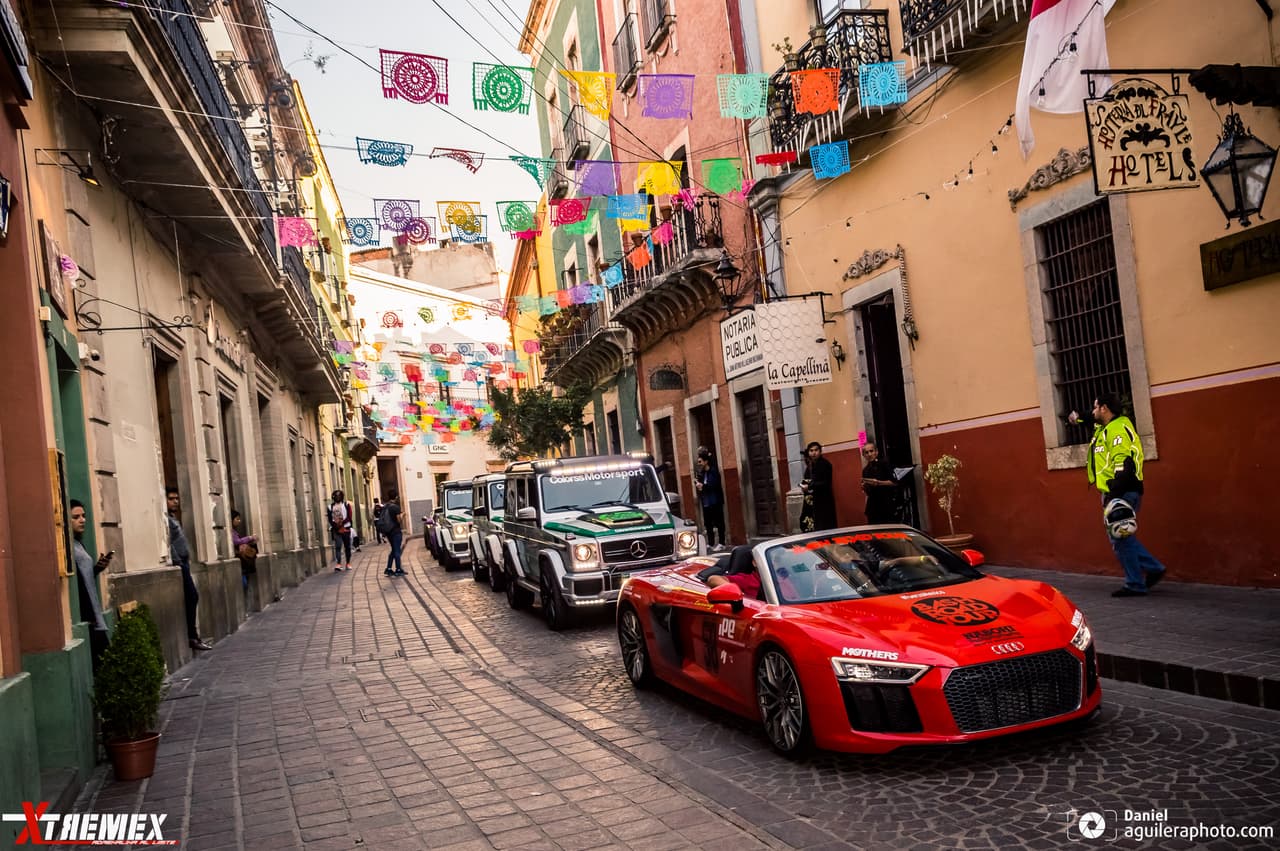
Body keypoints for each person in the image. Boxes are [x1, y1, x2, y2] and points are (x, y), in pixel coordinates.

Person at [1077, 393, 1167, 597]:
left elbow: (1123, 462)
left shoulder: (1117, 429)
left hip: (1122, 490)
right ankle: (1152, 569)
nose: (1093, 411)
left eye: (1095, 407)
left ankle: (1137, 582)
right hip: (1116, 491)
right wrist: (1077, 417)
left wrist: (1113, 493)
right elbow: (1089, 419)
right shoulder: (1104, 428)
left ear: (1104, 408)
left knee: (1120, 537)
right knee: (1122, 536)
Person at [167, 487, 211, 651]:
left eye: (177, 498)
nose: (175, 501)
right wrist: (178, 562)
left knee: (192, 597)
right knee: (192, 596)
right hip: (181, 564)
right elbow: (169, 542)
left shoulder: (172, 518)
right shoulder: (167, 520)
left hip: (184, 562)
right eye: (171, 499)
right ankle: (192, 636)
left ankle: (193, 635)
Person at [69, 499, 111, 667]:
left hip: (95, 614)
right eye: (76, 517)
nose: (82, 520)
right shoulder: (69, 547)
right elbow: (77, 584)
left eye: (84, 516)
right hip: (89, 617)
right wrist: (90, 617)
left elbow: (85, 578)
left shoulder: (78, 543)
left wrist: (97, 569)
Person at [799, 441, 837, 532]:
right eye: (811, 451)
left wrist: (810, 486)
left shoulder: (825, 464)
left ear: (820, 451)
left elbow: (826, 483)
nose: (814, 453)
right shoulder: (810, 466)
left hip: (824, 501)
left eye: (816, 450)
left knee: (825, 527)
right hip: (812, 502)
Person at [694, 447, 726, 551]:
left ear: (706, 461)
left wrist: (702, 486)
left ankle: (722, 543)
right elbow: (702, 486)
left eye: (700, 461)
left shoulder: (713, 471)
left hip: (715, 500)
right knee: (708, 523)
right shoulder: (702, 473)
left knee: (719, 522)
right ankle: (711, 543)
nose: (698, 463)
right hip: (706, 501)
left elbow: (714, 485)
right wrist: (698, 484)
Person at [860, 442, 898, 524]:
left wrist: (879, 483)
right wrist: (864, 487)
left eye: (871, 451)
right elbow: (868, 493)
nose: (869, 454)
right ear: (863, 455)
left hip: (886, 504)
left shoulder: (884, 464)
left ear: (876, 452)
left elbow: (894, 482)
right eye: (866, 452)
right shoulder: (865, 470)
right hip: (873, 507)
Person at [231, 510, 257, 590]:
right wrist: (249, 538)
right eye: (237, 519)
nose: (239, 521)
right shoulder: (231, 531)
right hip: (238, 558)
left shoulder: (234, 531)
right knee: (244, 583)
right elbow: (236, 541)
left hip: (241, 559)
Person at [382, 490, 405, 577]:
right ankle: (398, 569)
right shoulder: (395, 507)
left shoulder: (385, 506)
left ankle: (388, 568)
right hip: (395, 531)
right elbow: (399, 520)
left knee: (394, 550)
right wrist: (403, 515)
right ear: (396, 497)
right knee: (397, 550)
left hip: (388, 532)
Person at [329, 489, 353, 572]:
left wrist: (341, 523)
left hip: (346, 528)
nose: (337, 497)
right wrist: (336, 526)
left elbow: (349, 517)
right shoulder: (330, 507)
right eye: (336, 495)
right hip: (336, 530)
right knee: (338, 546)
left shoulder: (346, 505)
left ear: (342, 496)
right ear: (333, 497)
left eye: (339, 495)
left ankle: (348, 563)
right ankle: (338, 564)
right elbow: (330, 519)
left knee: (347, 547)